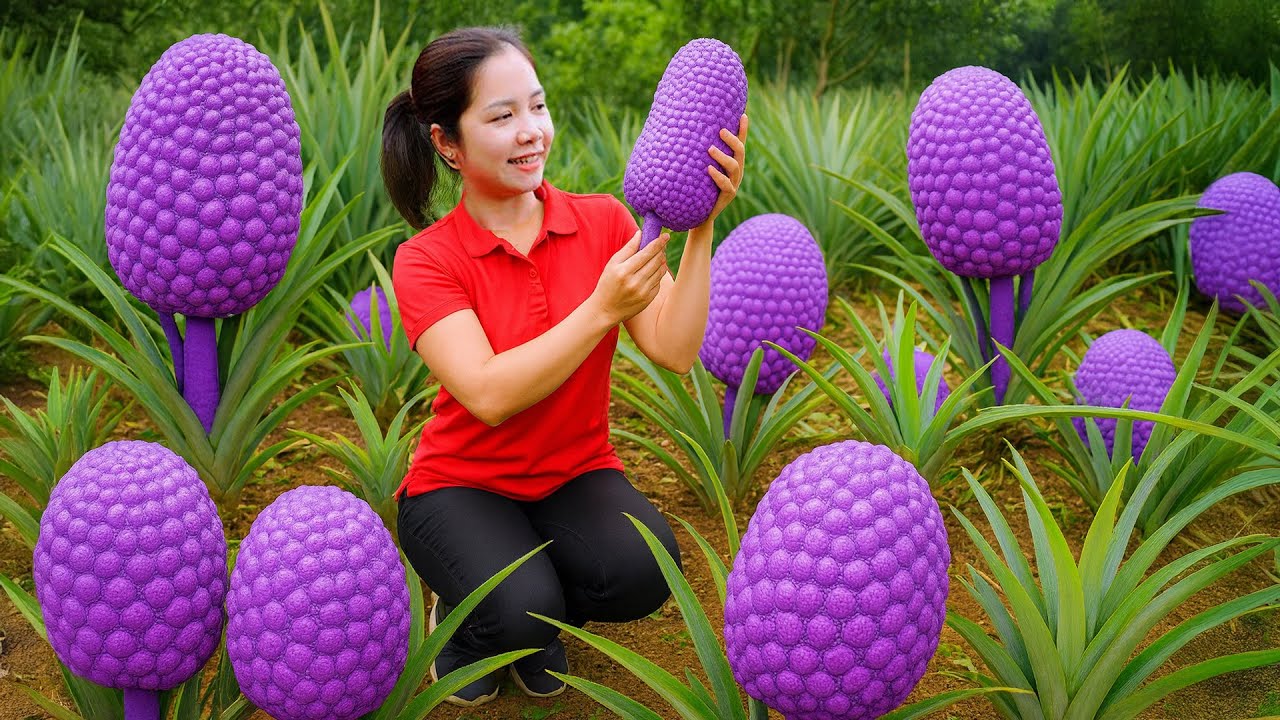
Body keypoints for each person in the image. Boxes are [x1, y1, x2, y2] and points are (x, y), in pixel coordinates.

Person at [381, 26, 747, 707]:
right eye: (502, 116)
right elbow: (488, 394)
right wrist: (600, 309)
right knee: (517, 606)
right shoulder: (427, 260)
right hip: (460, 485)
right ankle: (473, 630)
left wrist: (704, 229)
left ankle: (528, 618)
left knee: (643, 570)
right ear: (447, 144)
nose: (530, 132)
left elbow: (674, 348)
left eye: (537, 107)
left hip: (574, 473)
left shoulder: (605, 222)